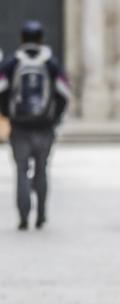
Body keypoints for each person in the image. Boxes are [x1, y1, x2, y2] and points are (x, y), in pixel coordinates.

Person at [0, 21, 71, 230]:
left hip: (20, 127)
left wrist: (7, 114)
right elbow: (64, 94)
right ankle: (41, 214)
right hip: (44, 127)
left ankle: (23, 216)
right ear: (41, 40)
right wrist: (54, 118)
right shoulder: (51, 64)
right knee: (42, 170)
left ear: (22, 39)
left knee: (21, 171)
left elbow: (1, 91)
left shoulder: (12, 63)